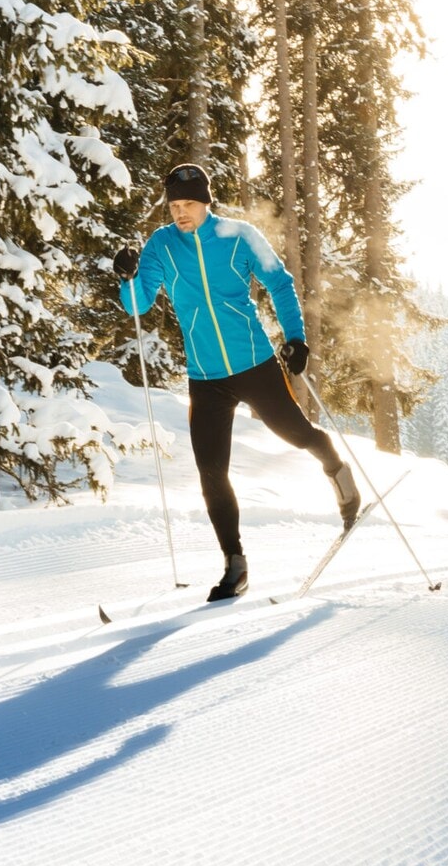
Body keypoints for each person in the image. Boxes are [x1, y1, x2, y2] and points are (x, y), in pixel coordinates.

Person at [114, 163, 360, 601]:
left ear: (206, 202)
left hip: (254, 364)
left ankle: (334, 464)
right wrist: (127, 277)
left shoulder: (240, 235)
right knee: (212, 473)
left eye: (188, 204)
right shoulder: (161, 245)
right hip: (205, 377)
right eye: (173, 206)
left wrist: (296, 339)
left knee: (297, 433)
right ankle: (235, 563)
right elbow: (138, 304)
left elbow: (280, 284)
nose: (180, 213)